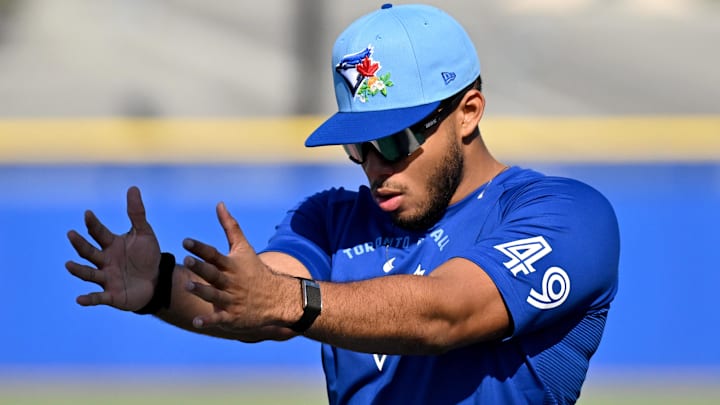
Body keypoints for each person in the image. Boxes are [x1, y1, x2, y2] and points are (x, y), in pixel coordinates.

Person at [66, 3, 619, 404]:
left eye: (395, 140)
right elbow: (255, 303)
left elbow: (445, 314)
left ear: (469, 111)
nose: (376, 166)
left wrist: (290, 300)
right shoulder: (329, 217)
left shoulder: (565, 215)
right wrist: (162, 287)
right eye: (359, 146)